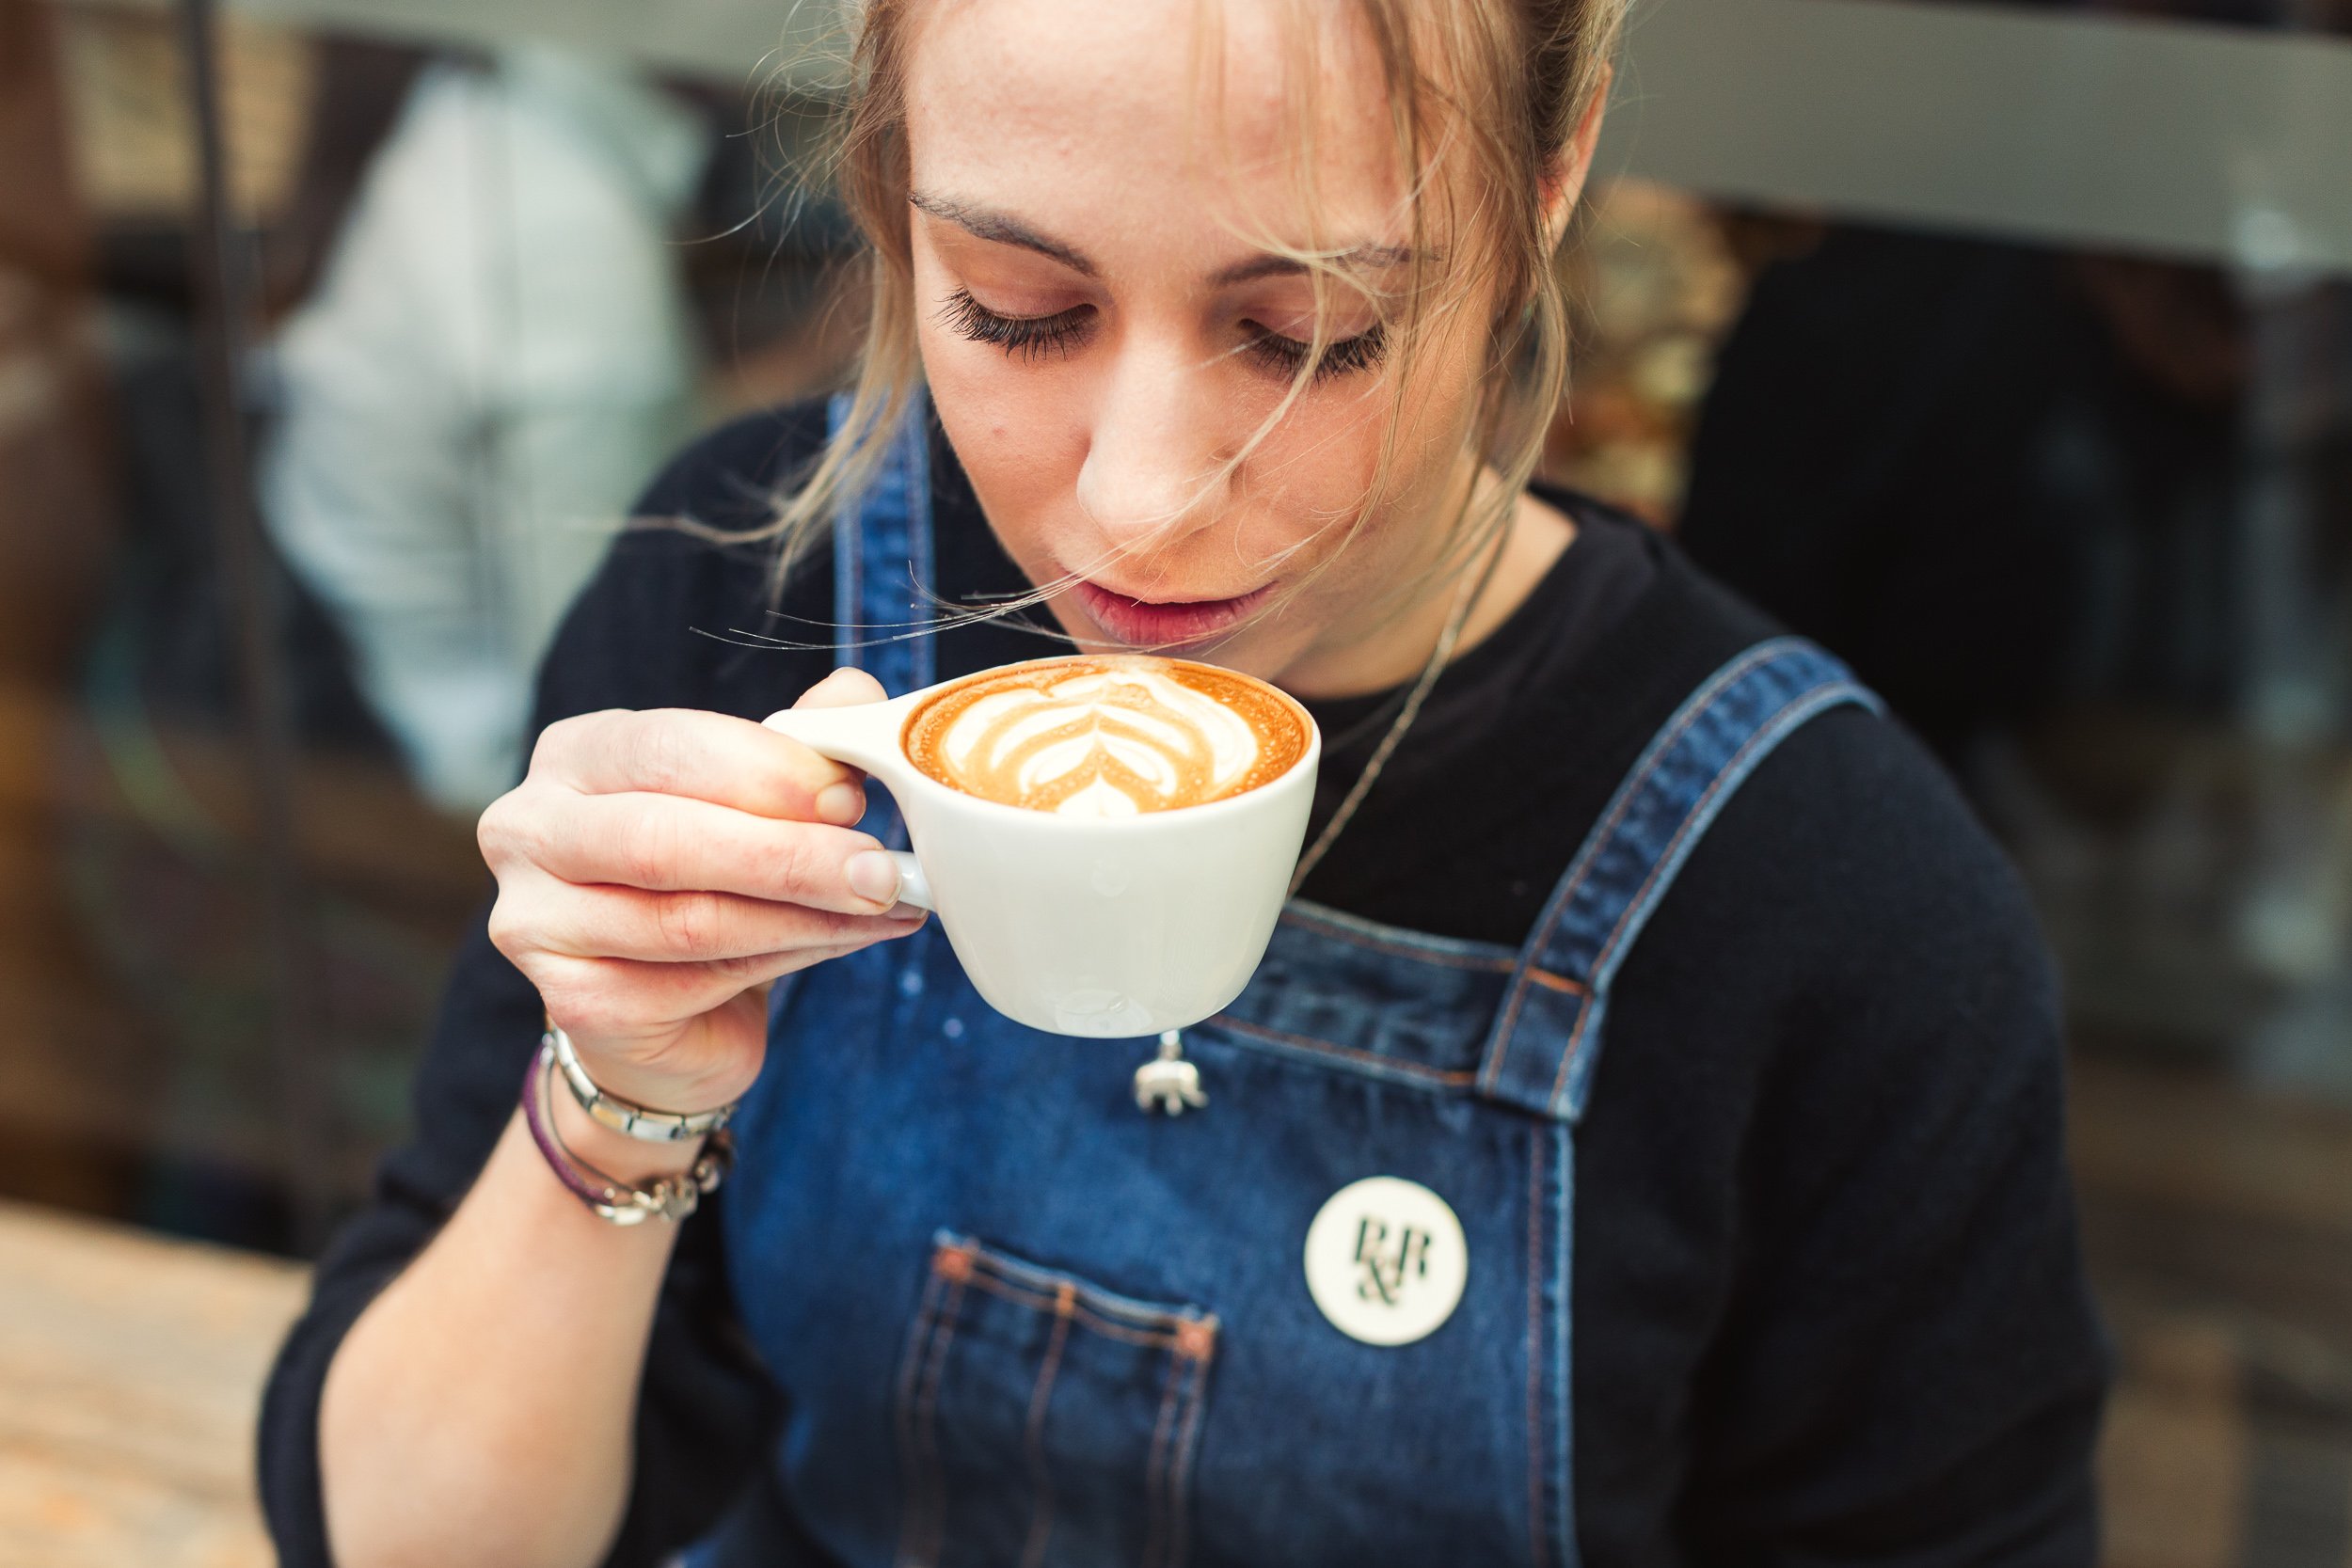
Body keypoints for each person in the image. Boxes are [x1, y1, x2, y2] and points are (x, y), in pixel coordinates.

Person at [260, 1, 2108, 1564]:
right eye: (1012, 306)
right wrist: (614, 1096)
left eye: (1305, 334)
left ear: (1546, 179)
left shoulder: (1830, 906)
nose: (1139, 504)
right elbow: (402, 1533)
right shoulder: (741, 607)